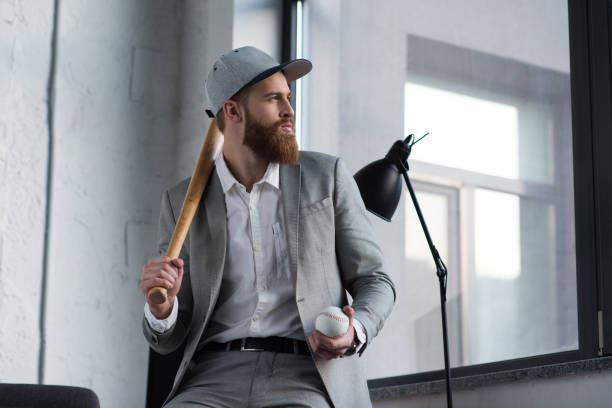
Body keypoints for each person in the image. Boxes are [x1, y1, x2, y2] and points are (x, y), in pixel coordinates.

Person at [140, 46, 395, 408]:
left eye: (288, 98)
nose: (289, 110)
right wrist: (161, 311)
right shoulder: (181, 203)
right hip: (211, 378)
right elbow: (167, 338)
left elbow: (375, 279)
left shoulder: (328, 178)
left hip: (308, 375)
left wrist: (357, 329)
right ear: (232, 111)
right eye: (274, 99)